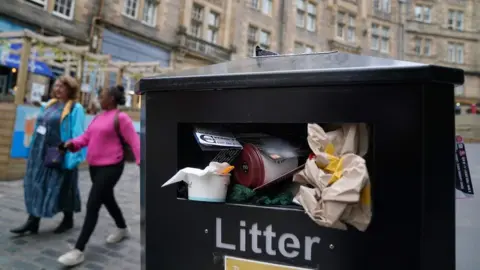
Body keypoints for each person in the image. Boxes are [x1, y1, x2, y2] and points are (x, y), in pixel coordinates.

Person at [57, 85, 140, 266]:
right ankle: (123, 228)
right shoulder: (98, 117)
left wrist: (142, 162)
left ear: (111, 98)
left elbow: (135, 141)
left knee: (93, 203)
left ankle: (78, 250)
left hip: (112, 167)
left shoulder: (122, 118)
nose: (99, 98)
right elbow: (86, 138)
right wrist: (72, 144)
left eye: (101, 95)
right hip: (95, 167)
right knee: (107, 199)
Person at [10, 76, 86, 235]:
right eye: (56, 86)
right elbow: (40, 125)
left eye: (62, 87)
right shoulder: (51, 104)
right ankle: (33, 221)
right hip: (40, 151)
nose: (57, 89)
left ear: (70, 90)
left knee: (64, 186)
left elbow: (78, 133)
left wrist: (72, 155)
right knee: (37, 184)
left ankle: (68, 219)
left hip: (59, 153)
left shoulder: (75, 108)